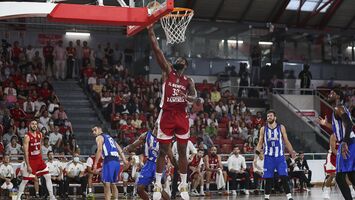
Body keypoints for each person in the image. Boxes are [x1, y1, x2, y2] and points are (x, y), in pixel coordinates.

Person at [147, 24, 197, 200]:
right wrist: (150, 30)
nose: (180, 61)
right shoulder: (168, 72)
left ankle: (183, 185)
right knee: (163, 151)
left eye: (183, 60)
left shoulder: (188, 80)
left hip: (181, 116)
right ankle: (158, 185)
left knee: (182, 151)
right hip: (167, 114)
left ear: (186, 65)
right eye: (179, 59)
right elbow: (157, 50)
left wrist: (190, 97)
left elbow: (195, 96)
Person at [317, 89, 355, 200]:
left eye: (332, 93)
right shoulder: (338, 109)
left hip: (348, 142)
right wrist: (326, 124)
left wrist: (344, 142)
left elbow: (349, 124)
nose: (329, 95)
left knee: (339, 177)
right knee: (352, 175)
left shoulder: (339, 108)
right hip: (350, 142)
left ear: (338, 96)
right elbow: (338, 128)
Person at [123, 126, 173, 200]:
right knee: (139, 189)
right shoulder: (146, 135)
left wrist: (174, 165)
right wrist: (127, 148)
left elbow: (170, 154)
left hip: (159, 164)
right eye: (157, 127)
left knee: (158, 188)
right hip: (149, 164)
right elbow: (134, 145)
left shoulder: (165, 138)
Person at [256, 110, 296, 200]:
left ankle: (289, 197)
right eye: (267, 116)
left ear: (275, 117)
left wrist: (292, 151)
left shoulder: (281, 127)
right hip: (268, 157)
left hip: (280, 157)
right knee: (268, 178)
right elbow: (260, 142)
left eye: (270, 116)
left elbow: (286, 141)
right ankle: (266, 197)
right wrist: (257, 153)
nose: (269, 117)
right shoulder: (263, 129)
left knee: (284, 176)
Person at [16, 120, 56, 200]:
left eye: (35, 124)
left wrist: (42, 158)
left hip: (39, 160)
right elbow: (26, 152)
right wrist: (28, 165)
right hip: (31, 161)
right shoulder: (27, 137)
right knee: (25, 181)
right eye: (32, 124)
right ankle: (18, 197)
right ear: (30, 125)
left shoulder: (40, 134)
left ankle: (52, 196)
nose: (34, 125)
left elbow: (40, 147)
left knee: (48, 176)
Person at [91, 124, 128, 200]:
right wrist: (124, 160)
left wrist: (95, 164)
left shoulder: (99, 137)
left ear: (100, 129)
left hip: (109, 160)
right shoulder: (110, 137)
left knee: (106, 184)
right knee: (113, 183)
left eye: (95, 130)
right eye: (92, 131)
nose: (94, 132)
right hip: (116, 161)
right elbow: (119, 149)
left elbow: (99, 150)